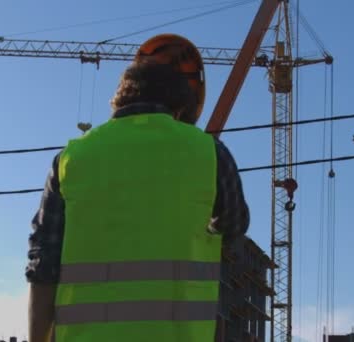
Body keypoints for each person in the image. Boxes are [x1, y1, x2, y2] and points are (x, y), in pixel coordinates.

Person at [26, 33, 249, 342]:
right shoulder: (210, 153)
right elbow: (234, 226)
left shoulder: (71, 159)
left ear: (120, 98)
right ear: (182, 105)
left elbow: (43, 266)